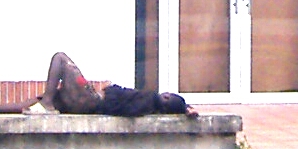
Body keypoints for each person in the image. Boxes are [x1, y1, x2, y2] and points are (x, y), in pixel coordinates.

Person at [32, 51, 191, 117]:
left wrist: (184, 108)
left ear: (167, 103)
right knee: (34, 103)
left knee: (60, 58)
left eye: (168, 98)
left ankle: (47, 102)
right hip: (88, 101)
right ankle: (45, 101)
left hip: (91, 98)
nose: (166, 94)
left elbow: (121, 107)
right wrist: (186, 109)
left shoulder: (149, 100)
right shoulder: (149, 104)